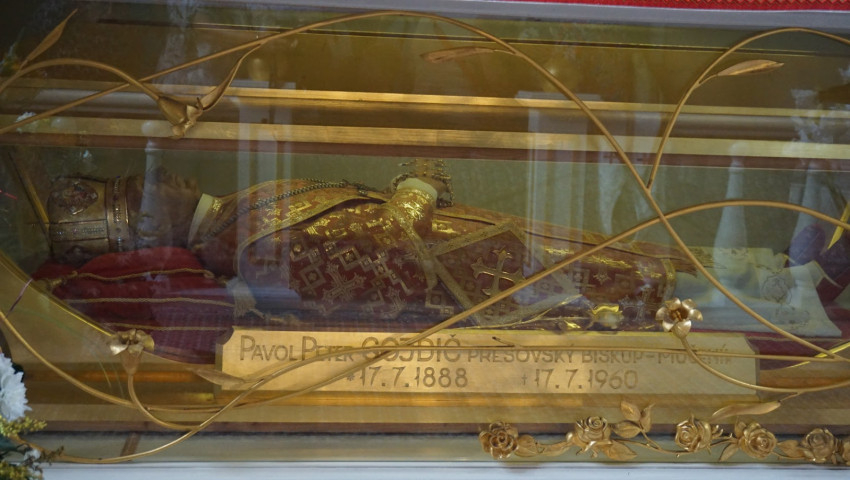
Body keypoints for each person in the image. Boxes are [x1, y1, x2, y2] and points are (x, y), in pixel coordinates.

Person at [37, 160, 843, 363]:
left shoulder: (238, 215)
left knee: (644, 264)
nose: (162, 179)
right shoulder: (243, 245)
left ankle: (783, 283)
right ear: (145, 228)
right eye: (142, 193)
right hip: (484, 275)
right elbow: (385, 263)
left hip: (485, 246)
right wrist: (416, 190)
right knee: (645, 286)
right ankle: (783, 311)